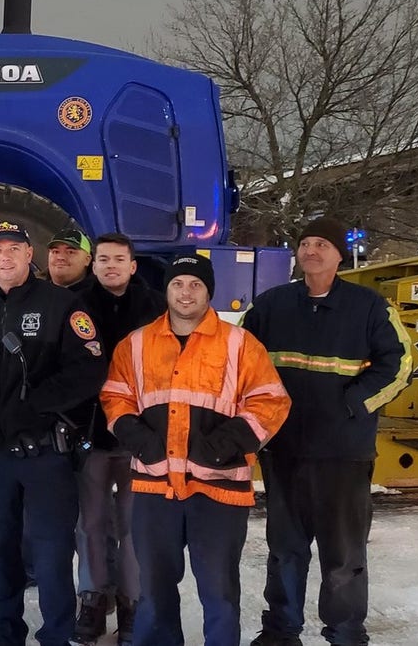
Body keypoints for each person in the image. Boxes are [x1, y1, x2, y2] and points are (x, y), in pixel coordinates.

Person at [101, 254, 291, 646]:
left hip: (219, 490)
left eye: (195, 285)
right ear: (166, 290)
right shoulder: (135, 345)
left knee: (219, 593)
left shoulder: (241, 344)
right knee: (153, 592)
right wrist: (142, 442)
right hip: (155, 489)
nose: (185, 293)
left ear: (209, 291)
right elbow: (115, 397)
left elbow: (271, 401)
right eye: (177, 284)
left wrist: (222, 445)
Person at [243, 218, 412, 646]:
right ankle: (281, 631)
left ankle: (346, 633)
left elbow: (401, 364)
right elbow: (239, 361)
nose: (312, 250)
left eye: (322, 244)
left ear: (339, 255)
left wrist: (352, 403)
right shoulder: (270, 305)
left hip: (343, 452)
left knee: (343, 556)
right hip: (284, 451)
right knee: (284, 550)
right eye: (305, 243)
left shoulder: (369, 308)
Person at [0, 220, 107, 646]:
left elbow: (88, 369)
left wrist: (33, 404)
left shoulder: (60, 305)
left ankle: (55, 635)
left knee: (53, 555)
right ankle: (7, 631)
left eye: (14, 248)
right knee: (3, 550)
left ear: (28, 255)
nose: (5, 256)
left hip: (46, 456)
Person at [71, 233, 166, 646]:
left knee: (133, 528)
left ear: (133, 266)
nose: (111, 265)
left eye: (119, 259)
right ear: (93, 265)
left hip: (139, 438)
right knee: (90, 524)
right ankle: (92, 601)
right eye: (103, 259)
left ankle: (132, 605)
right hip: (90, 434)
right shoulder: (74, 305)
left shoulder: (156, 308)